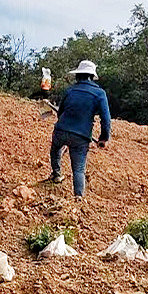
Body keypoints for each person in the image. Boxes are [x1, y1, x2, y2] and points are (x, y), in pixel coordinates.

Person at [46, 60, 111, 198]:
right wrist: (103, 138)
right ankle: (78, 199)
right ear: (92, 76)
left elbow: (60, 112)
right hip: (81, 137)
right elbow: (106, 119)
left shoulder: (70, 90)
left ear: (78, 75)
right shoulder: (100, 94)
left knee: (56, 149)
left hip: (61, 130)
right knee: (79, 169)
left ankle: (56, 174)